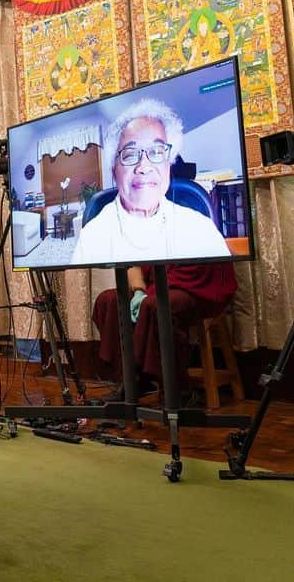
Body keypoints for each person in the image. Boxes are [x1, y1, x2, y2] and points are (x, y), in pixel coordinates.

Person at [70, 99, 230, 265]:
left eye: (156, 152)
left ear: (169, 164)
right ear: (114, 172)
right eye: (130, 154)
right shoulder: (92, 238)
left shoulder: (200, 228)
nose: (144, 166)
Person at [94, 264, 236, 398]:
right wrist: (139, 290)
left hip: (194, 284)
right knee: (108, 300)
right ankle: (131, 382)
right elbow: (134, 264)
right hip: (155, 285)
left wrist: (149, 294)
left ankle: (176, 389)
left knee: (158, 305)